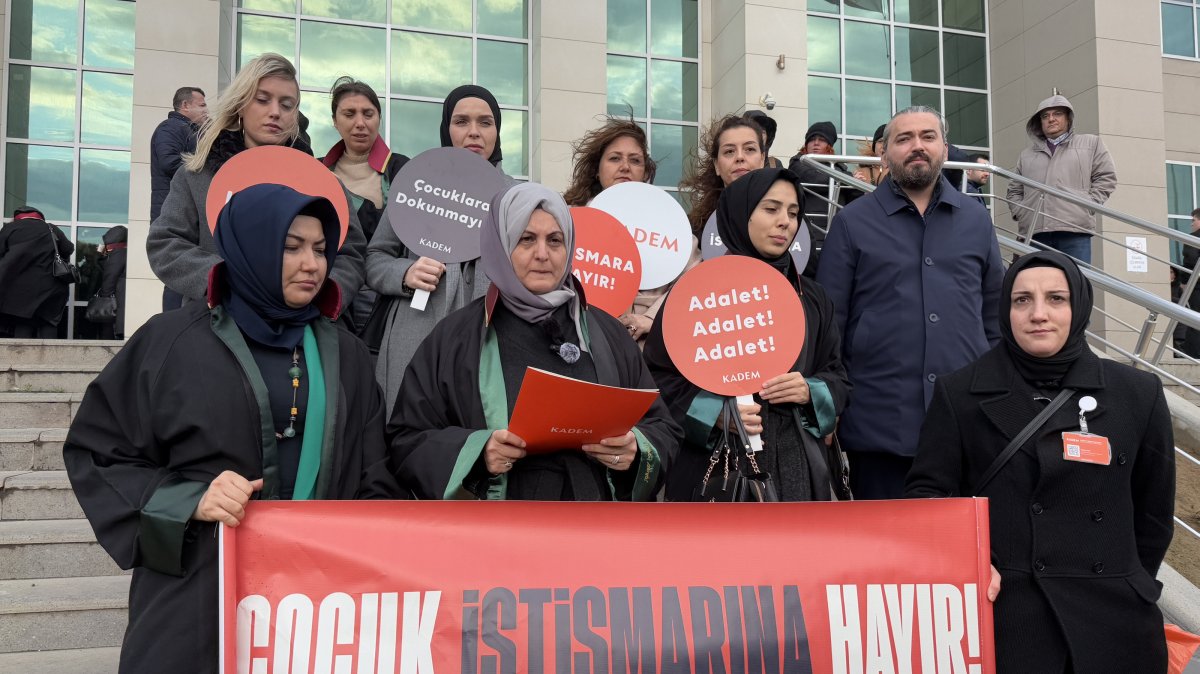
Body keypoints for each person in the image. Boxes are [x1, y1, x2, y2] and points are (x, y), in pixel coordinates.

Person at [63, 183, 400, 674]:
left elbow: (376, 472)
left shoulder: (344, 353)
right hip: (197, 594)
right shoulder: (171, 343)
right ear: (250, 247)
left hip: (315, 602)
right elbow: (98, 452)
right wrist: (188, 499)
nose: (312, 264)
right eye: (291, 247)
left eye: (321, 249)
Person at [906, 250, 1174, 674]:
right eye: (1022, 300)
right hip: (1009, 618)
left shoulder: (1137, 394)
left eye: (1056, 299)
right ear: (1004, 310)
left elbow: (1154, 515)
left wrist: (1135, 584)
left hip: (1115, 621)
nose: (1038, 314)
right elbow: (927, 496)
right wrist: (967, 561)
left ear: (1079, 307)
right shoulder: (961, 394)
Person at [387, 182, 680, 501]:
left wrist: (635, 449)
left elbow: (661, 426)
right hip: (500, 536)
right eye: (526, 239)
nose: (543, 254)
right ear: (500, 244)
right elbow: (408, 439)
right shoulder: (457, 338)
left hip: (594, 530)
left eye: (555, 240)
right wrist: (478, 454)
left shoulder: (606, 333)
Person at [817, 106, 1003, 499]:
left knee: (956, 556)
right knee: (882, 556)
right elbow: (830, 324)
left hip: (965, 425)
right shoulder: (853, 221)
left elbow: (994, 318)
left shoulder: (976, 219)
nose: (917, 146)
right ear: (884, 153)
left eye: (927, 137)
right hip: (877, 426)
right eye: (904, 139)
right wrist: (830, 407)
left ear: (945, 148)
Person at [643, 168, 850, 501]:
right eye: (771, 209)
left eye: (793, 212)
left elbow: (838, 376)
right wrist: (716, 413)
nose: (785, 221)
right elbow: (659, 381)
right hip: (717, 470)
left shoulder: (812, 297)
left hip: (796, 465)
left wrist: (810, 391)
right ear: (741, 214)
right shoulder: (696, 293)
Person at [147, 53, 367, 315]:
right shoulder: (197, 175)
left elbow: (351, 253)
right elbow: (165, 242)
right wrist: (223, 280)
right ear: (240, 104)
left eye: (287, 105)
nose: (275, 112)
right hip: (216, 329)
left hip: (303, 331)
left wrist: (323, 296)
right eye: (262, 100)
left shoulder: (321, 182)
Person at [367, 84, 510, 413]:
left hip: (492, 337)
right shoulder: (418, 182)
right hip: (415, 333)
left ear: (497, 131)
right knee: (409, 433)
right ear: (446, 129)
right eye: (461, 122)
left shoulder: (516, 197)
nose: (473, 132)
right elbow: (375, 258)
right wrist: (405, 274)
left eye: (485, 122)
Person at [563, 117, 697, 345]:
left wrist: (650, 319)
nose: (625, 167)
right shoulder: (568, 219)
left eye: (635, 160)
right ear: (597, 169)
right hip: (580, 339)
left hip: (647, 350)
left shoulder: (673, 226)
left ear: (645, 173)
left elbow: (693, 282)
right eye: (615, 158)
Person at [319, 77, 409, 333]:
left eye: (368, 114)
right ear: (335, 121)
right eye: (349, 114)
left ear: (378, 119)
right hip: (334, 291)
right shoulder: (317, 172)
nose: (360, 123)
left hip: (389, 294)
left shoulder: (404, 169)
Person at [1006, 93, 1118, 265]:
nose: (1051, 119)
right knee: (1039, 285)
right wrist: (1022, 212)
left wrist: (1086, 204)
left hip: (1074, 231)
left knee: (1075, 284)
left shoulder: (1091, 144)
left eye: (1057, 114)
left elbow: (1106, 177)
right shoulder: (1026, 155)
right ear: (1039, 122)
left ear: (1068, 118)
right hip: (1035, 233)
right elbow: (1014, 190)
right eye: (1045, 116)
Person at [151, 86, 207, 312]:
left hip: (183, 209)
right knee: (179, 272)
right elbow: (168, 161)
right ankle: (174, 327)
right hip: (172, 210)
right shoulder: (170, 128)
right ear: (185, 106)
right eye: (202, 105)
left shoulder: (188, 131)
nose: (207, 111)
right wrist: (203, 169)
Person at [788, 120, 857, 277]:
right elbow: (815, 180)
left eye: (822, 140)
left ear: (830, 145)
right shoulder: (798, 162)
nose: (816, 143)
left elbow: (856, 199)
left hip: (835, 236)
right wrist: (849, 179)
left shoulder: (840, 169)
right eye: (812, 139)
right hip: (806, 234)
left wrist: (857, 183)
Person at [681, 114, 767, 234]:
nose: (740, 157)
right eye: (729, 151)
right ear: (716, 165)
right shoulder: (693, 229)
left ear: (762, 159)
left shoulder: (787, 219)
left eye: (749, 149)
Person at [0, 207, 74, 338]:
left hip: (20, 288)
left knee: (23, 323)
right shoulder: (51, 228)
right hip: (51, 286)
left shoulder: (10, 228)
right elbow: (68, 248)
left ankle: (22, 357)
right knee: (48, 323)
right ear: (39, 217)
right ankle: (51, 357)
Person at [97, 226, 128, 339]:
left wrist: (103, 299)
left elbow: (110, 278)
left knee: (109, 338)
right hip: (119, 307)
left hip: (113, 308)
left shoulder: (119, 253)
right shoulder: (125, 253)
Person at [1179, 208, 1200, 357]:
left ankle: (1194, 355)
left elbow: (1190, 261)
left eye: (1194, 220)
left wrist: (1184, 282)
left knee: (1195, 321)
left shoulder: (1193, 238)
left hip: (1197, 286)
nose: (1192, 224)